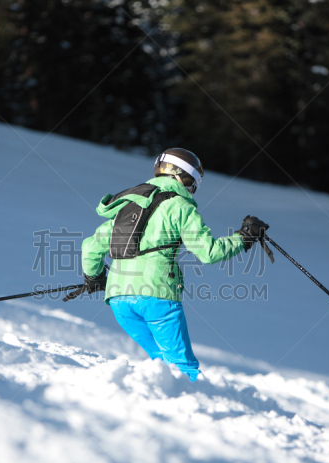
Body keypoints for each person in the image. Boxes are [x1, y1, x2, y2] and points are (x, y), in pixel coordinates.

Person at [75, 148, 270, 381]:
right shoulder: (180, 206)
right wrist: (245, 237)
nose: (191, 190)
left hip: (119, 300)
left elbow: (91, 246)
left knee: (160, 363)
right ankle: (194, 408)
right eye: (192, 184)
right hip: (157, 298)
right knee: (182, 367)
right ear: (183, 177)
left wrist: (94, 278)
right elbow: (208, 252)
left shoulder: (128, 205)